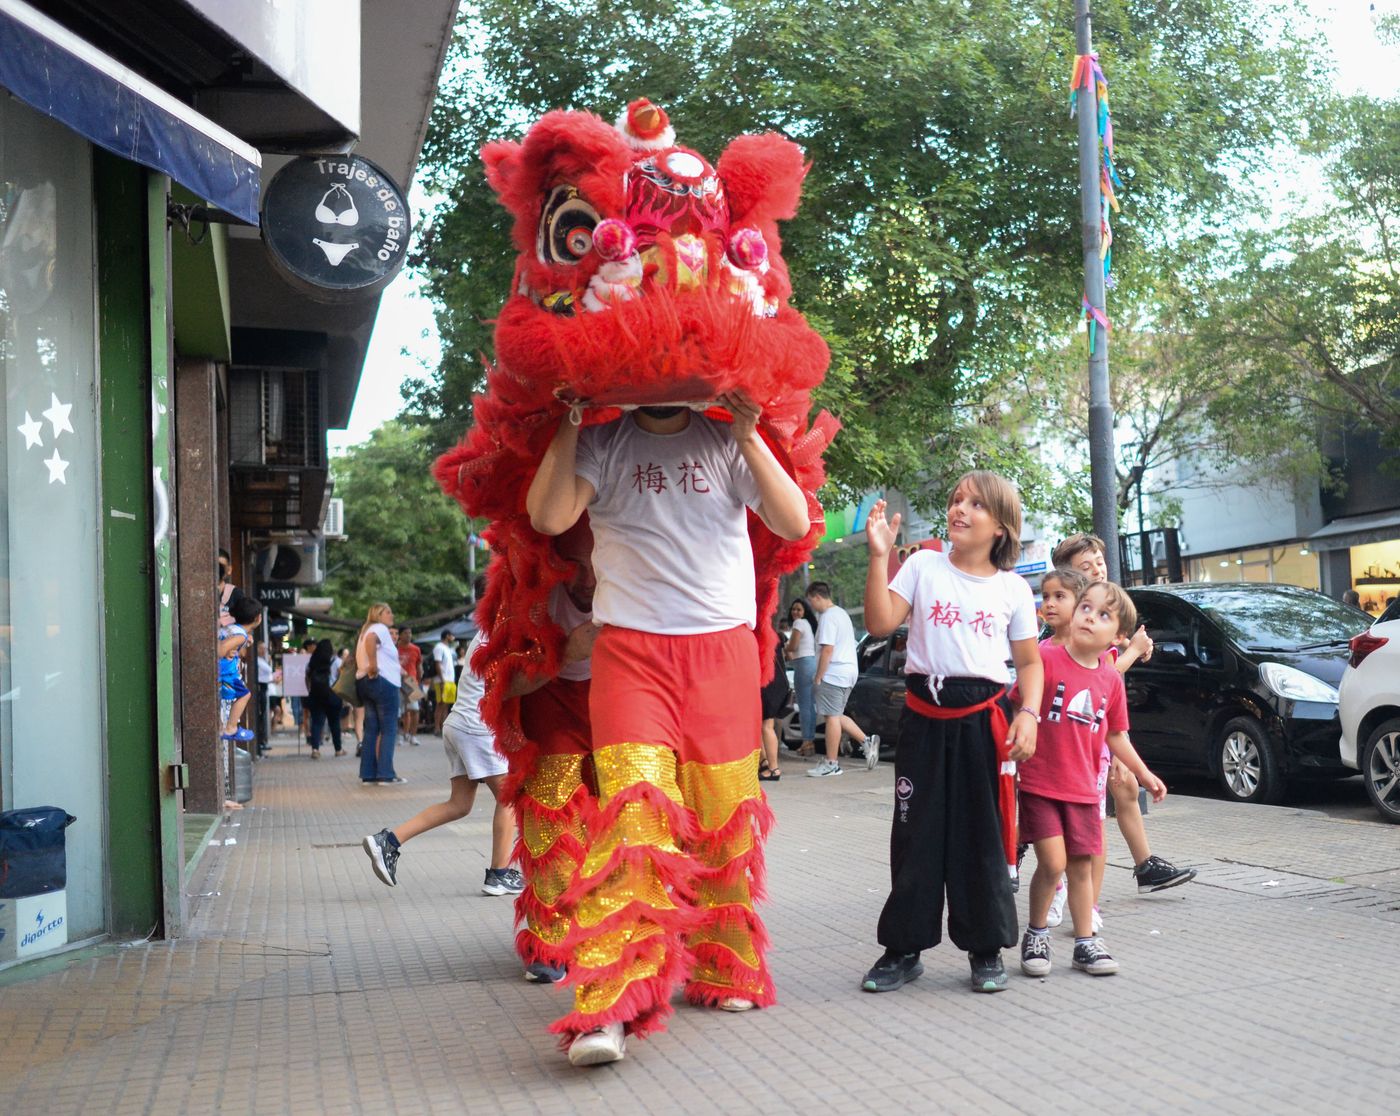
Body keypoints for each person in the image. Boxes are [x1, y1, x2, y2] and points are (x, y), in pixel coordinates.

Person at [525, 389, 810, 1066]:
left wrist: (746, 434)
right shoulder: (602, 439)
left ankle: (725, 965)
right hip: (629, 654)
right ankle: (610, 1007)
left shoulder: (724, 437)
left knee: (722, 816)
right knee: (633, 820)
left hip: (721, 654)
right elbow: (547, 514)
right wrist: (568, 419)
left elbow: (794, 521)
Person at [858, 473, 1043, 996]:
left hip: (982, 724)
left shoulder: (1012, 589)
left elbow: (1029, 664)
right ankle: (903, 949)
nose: (960, 509)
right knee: (915, 835)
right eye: (956, 500)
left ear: (1002, 527)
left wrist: (1027, 714)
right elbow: (878, 623)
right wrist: (879, 557)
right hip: (922, 720)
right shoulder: (921, 566)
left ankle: (986, 950)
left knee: (980, 837)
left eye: (976, 504)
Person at [1018, 580, 1168, 979]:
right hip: (1040, 783)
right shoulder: (1045, 659)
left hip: (1085, 788)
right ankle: (1035, 933)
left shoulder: (1111, 679)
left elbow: (1115, 734)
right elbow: (1018, 704)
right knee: (1052, 862)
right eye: (1086, 607)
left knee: (1081, 866)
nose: (1089, 617)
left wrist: (1143, 773)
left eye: (1103, 614)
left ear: (1118, 637)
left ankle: (1086, 943)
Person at [1049, 534, 1195, 917]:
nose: (1097, 568)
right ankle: (1066, 889)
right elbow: (1096, 676)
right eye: (1087, 566)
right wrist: (1130, 652)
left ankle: (1112, 884)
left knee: (1117, 798)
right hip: (1081, 733)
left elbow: (1107, 681)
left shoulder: (1104, 610)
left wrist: (1135, 648)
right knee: (1085, 820)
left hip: (1103, 727)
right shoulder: (1071, 624)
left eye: (1099, 561)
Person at [362, 614, 527, 896]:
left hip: (459, 724)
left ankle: (388, 841)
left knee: (459, 804)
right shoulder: (506, 632)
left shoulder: (491, 630)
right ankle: (499, 874)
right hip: (476, 726)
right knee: (511, 799)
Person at [805, 582, 879, 776]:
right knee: (836, 715)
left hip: (833, 672)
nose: (811, 605)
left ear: (817, 596)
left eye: (811, 601)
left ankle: (832, 763)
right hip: (847, 672)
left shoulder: (828, 618)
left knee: (831, 718)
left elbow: (827, 650)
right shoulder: (841, 614)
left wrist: (819, 676)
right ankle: (867, 741)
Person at [356, 603, 404, 784]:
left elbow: (368, 642)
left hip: (365, 682)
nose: (392, 615)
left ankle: (368, 774)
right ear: (378, 614)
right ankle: (385, 774)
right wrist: (374, 666)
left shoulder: (365, 630)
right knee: (389, 729)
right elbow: (372, 641)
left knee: (371, 729)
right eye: (388, 612)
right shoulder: (380, 629)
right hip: (383, 682)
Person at [218, 595, 261, 744]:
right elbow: (221, 648)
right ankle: (231, 728)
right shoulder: (240, 636)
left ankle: (226, 726)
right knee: (244, 695)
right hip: (226, 674)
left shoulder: (231, 628)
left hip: (223, 673)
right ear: (258, 618)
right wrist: (224, 652)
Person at [783, 597, 818, 757]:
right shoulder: (808, 625)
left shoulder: (799, 623)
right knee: (810, 705)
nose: (795, 612)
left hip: (803, 665)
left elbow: (793, 646)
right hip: (810, 663)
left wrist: (784, 646)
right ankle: (809, 741)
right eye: (793, 609)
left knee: (804, 705)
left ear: (804, 612)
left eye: (799, 609)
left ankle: (806, 742)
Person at [304, 639, 345, 757]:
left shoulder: (312, 661)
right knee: (335, 723)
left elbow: (307, 678)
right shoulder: (337, 661)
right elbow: (341, 677)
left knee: (316, 722)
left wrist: (310, 690)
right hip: (333, 694)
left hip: (316, 695)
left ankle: (315, 749)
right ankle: (338, 749)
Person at [759, 632, 788, 781]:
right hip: (777, 684)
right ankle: (764, 762)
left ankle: (773, 768)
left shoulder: (759, 636)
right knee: (760, 726)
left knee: (766, 726)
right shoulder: (775, 635)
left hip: (768, 684)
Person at [397, 627, 423, 746]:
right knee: (401, 711)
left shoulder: (416, 649)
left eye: (410, 633)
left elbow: (419, 666)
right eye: (405, 633)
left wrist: (418, 680)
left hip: (411, 681)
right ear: (400, 635)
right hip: (397, 680)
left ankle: (413, 736)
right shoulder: (394, 648)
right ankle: (401, 735)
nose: (408, 635)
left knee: (415, 709)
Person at [431, 631, 458, 736]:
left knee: (446, 705)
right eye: (452, 635)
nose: (453, 638)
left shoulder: (448, 648)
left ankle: (444, 728)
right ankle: (437, 728)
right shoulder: (439, 647)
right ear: (447, 636)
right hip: (443, 680)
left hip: (450, 680)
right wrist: (442, 679)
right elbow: (437, 663)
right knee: (440, 704)